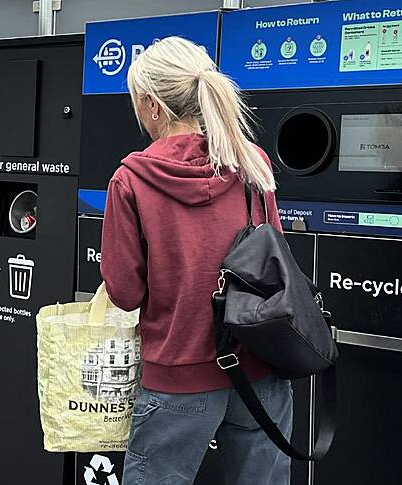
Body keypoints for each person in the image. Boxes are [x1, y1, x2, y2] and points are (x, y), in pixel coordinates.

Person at [100, 37, 289, 485]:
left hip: (178, 377)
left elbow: (125, 294)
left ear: (152, 105)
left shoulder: (131, 179)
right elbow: (275, 257)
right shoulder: (251, 162)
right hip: (260, 367)